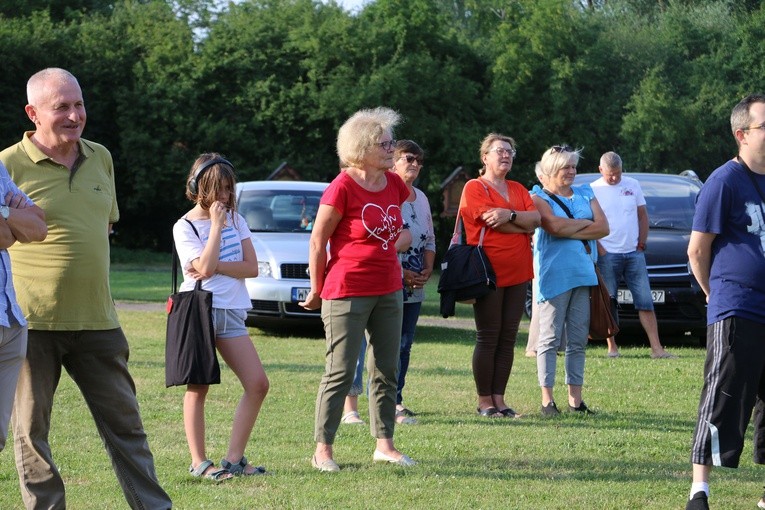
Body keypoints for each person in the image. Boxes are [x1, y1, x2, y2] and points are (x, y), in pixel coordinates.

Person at [0, 68, 172, 509]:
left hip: (98, 319)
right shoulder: (7, 164)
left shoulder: (101, 157)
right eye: (62, 107)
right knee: (31, 435)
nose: (75, 115)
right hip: (32, 321)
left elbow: (103, 224)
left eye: (79, 104)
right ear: (32, 113)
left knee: (128, 426)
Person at [300, 106, 414, 471]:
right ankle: (323, 451)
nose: (391, 149)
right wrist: (317, 288)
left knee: (386, 368)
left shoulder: (394, 183)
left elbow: (397, 228)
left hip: (389, 287)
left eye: (391, 142)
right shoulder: (342, 186)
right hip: (346, 288)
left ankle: (385, 445)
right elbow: (318, 241)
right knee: (341, 370)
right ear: (361, 147)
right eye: (384, 143)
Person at [685, 93, 765, 510]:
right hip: (738, 307)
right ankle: (700, 490)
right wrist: (718, 297)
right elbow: (697, 251)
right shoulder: (723, 181)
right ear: (742, 134)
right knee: (723, 393)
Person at [173, 154, 270, 481]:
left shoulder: (237, 220)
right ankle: (199, 461)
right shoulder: (184, 226)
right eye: (219, 189)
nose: (225, 197)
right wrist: (215, 227)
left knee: (257, 384)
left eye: (229, 190)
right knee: (198, 386)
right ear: (197, 187)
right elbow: (201, 266)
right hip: (199, 310)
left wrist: (212, 266)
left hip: (230, 312)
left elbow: (250, 268)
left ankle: (233, 459)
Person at [459, 133, 540, 418]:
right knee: (488, 335)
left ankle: (500, 400)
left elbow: (536, 220)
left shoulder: (518, 188)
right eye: (499, 151)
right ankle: (484, 401)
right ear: (485, 157)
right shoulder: (474, 187)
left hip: (519, 271)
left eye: (509, 151)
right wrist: (516, 220)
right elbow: (492, 223)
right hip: (487, 272)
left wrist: (511, 216)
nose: (505, 155)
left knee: (508, 338)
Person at [530, 145, 609, 416]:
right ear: (551, 169)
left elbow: (604, 227)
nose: (572, 171)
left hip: (584, 273)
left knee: (578, 340)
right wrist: (587, 228)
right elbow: (552, 226)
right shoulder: (539, 196)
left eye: (574, 166)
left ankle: (576, 401)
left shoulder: (586, 192)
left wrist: (569, 228)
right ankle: (547, 401)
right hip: (555, 276)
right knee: (549, 339)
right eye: (566, 167)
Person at [590, 152, 676, 359]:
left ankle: (656, 348)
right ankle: (612, 347)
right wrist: (601, 248)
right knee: (609, 301)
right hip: (608, 253)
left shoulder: (633, 185)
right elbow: (590, 222)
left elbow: (642, 215)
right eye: (610, 174)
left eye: (618, 174)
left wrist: (642, 242)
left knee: (645, 300)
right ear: (601, 170)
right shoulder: (592, 189)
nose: (614, 178)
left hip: (634, 253)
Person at [0, 162, 47, 454]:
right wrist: (13, 220)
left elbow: (39, 226)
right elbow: (5, 237)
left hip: (11, 318)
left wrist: (5, 212)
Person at [392, 139, 435, 423]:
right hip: (390, 280)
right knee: (388, 343)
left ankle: (397, 399)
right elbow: (383, 240)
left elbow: (429, 237)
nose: (415, 165)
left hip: (415, 283)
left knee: (405, 343)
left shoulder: (420, 198)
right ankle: (384, 400)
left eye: (418, 161)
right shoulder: (386, 195)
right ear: (393, 161)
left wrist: (427, 269)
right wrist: (401, 272)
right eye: (409, 159)